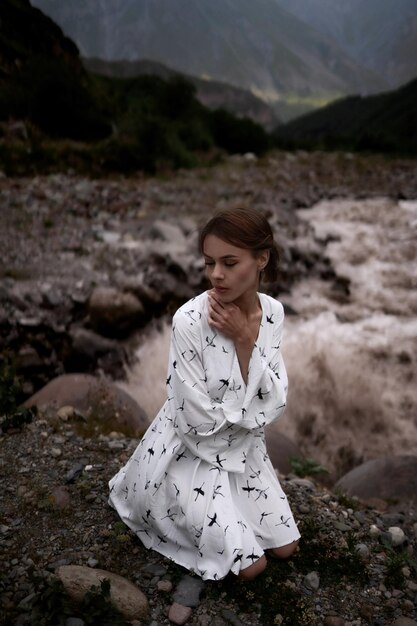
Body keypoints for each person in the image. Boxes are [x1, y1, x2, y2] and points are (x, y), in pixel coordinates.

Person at [109, 207, 300, 581]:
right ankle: (161, 500)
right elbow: (192, 417)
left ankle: (232, 511)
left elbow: (276, 401)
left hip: (246, 453)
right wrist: (249, 414)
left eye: (230, 262)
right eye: (210, 262)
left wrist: (246, 340)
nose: (217, 275)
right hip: (190, 455)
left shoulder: (273, 314)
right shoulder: (189, 321)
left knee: (286, 547)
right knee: (250, 567)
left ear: (261, 259)